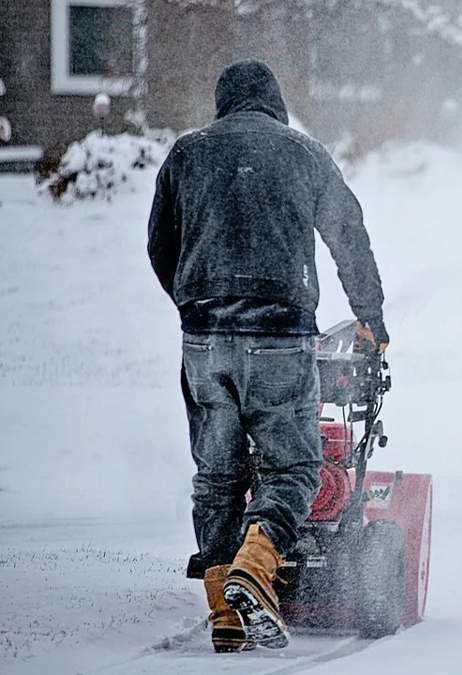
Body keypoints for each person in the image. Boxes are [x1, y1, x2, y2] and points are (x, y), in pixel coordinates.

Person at [147, 59, 388, 652]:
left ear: (222, 103)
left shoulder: (186, 153)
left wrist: (194, 301)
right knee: (293, 469)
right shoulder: (303, 153)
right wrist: (371, 319)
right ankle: (254, 571)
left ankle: (223, 613)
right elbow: (347, 232)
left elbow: (159, 244)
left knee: (218, 477)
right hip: (280, 334)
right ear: (275, 104)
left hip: (204, 337)